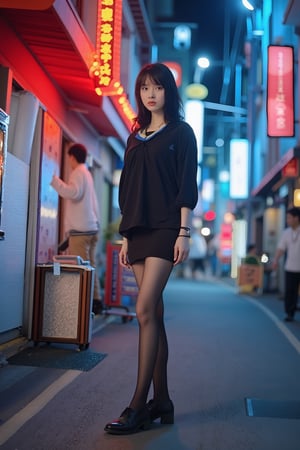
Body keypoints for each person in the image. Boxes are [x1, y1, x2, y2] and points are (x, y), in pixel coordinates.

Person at [104, 63, 198, 435]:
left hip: (165, 229)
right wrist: (126, 236)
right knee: (154, 316)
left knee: (143, 308)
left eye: (157, 87)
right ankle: (164, 401)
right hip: (139, 231)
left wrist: (184, 231)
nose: (150, 93)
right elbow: (127, 189)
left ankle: (137, 406)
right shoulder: (134, 137)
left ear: (168, 92)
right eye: (144, 87)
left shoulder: (181, 132)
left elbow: (186, 181)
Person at [50, 143, 103, 315]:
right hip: (91, 228)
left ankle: (83, 305)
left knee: (81, 269)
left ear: (72, 157)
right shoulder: (87, 173)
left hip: (81, 231)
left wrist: (55, 181)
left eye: (69, 158)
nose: (69, 161)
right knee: (90, 266)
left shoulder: (78, 172)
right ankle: (96, 301)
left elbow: (73, 193)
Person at [272, 207, 300, 322]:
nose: (287, 220)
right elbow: (281, 248)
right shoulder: (286, 233)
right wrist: (275, 260)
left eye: (289, 218)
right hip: (290, 267)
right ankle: (290, 313)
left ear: (296, 218)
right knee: (290, 291)